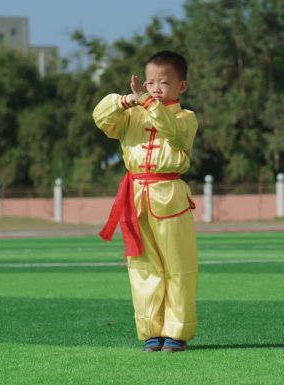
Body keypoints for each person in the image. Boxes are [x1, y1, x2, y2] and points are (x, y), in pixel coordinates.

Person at [92, 50, 198, 353]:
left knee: (179, 267)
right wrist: (127, 100)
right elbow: (100, 117)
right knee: (142, 267)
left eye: (163, 83)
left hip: (169, 197)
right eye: (150, 82)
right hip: (136, 197)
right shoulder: (131, 115)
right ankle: (151, 330)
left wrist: (150, 104)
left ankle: (177, 332)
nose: (154, 88)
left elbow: (173, 132)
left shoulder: (185, 118)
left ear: (182, 87)